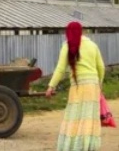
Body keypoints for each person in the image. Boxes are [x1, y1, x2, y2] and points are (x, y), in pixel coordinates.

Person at [45, 21, 105, 151]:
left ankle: (73, 146)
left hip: (77, 86)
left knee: (74, 115)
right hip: (92, 85)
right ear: (82, 31)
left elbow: (60, 69)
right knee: (89, 116)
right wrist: (99, 83)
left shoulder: (67, 46)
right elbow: (101, 67)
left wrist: (51, 86)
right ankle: (88, 146)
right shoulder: (92, 45)